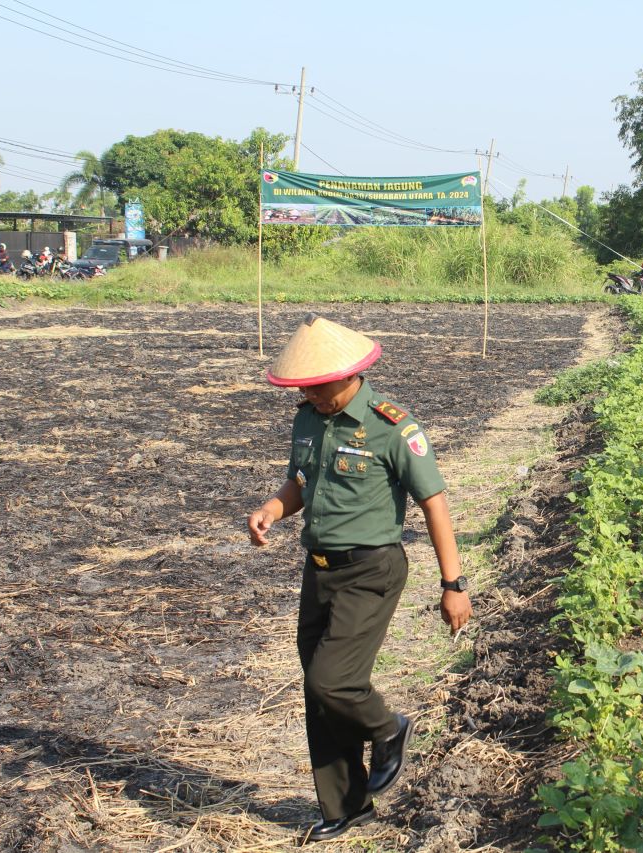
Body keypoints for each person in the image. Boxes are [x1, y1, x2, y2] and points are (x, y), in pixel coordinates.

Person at [247, 314, 472, 843]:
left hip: (372, 570)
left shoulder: (392, 426)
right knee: (319, 693)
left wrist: (453, 584)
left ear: (348, 376)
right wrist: (273, 509)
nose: (311, 394)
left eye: (318, 386)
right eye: (304, 387)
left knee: (334, 681)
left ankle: (389, 728)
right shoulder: (308, 419)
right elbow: (302, 481)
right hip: (319, 570)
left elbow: (434, 505)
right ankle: (345, 807)